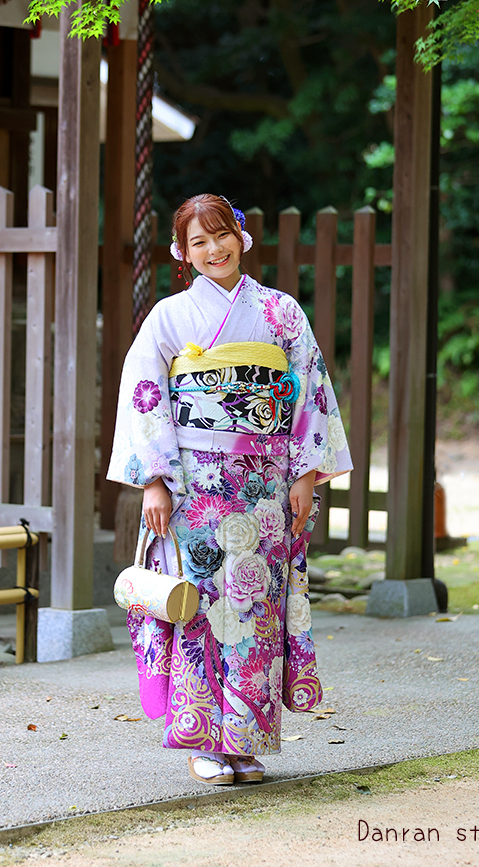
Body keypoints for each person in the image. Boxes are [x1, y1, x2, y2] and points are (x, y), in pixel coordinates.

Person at [107, 193, 352, 785]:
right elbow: (145, 395)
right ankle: (202, 740)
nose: (213, 249)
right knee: (199, 607)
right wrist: (155, 483)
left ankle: (244, 741)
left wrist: (304, 474)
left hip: (264, 488)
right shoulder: (167, 317)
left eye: (222, 235)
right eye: (198, 241)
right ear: (182, 254)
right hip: (193, 486)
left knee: (253, 610)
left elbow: (309, 391)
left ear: (242, 239)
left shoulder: (281, 313)